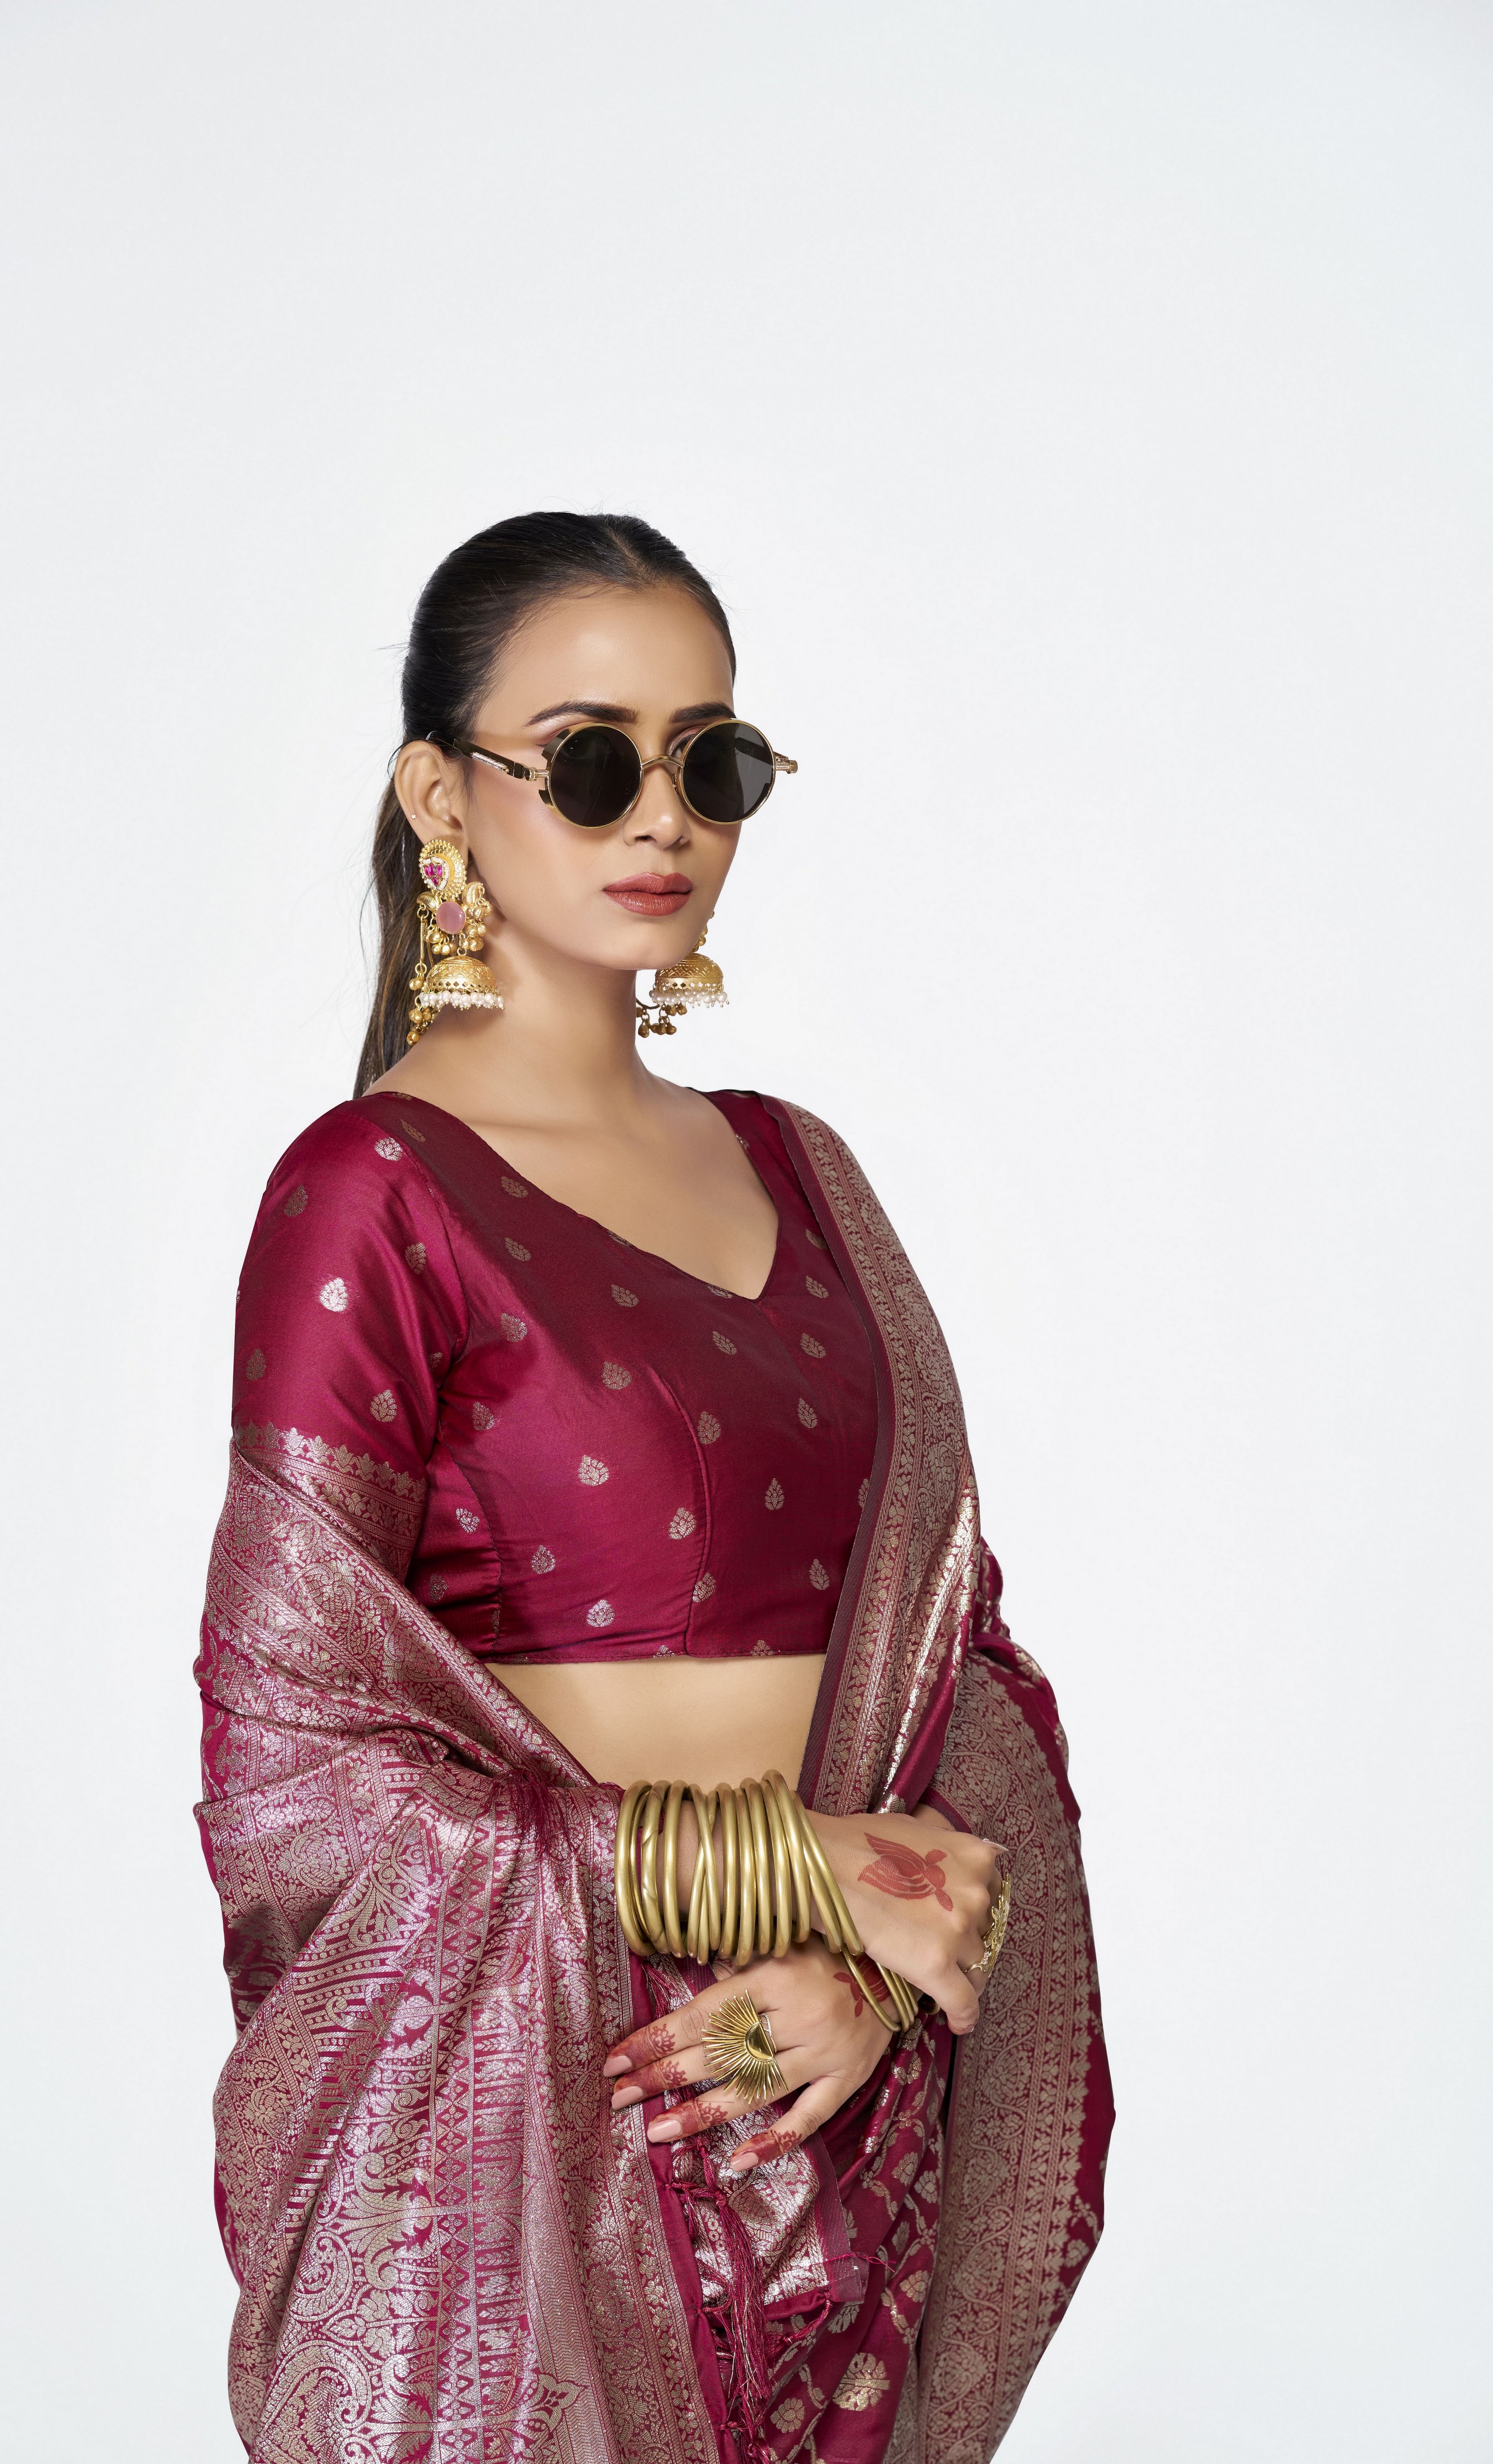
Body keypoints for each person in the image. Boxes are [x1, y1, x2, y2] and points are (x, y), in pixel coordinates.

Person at [195, 512, 1112, 2464]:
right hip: (550, 2129)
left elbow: (964, 1676)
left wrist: (869, 1962)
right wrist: (794, 1869)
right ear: (441, 797)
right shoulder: (372, 1193)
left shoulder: (804, 1172)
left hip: (832, 2094)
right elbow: (295, 1770)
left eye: (714, 761)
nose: (666, 819)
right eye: (593, 760)